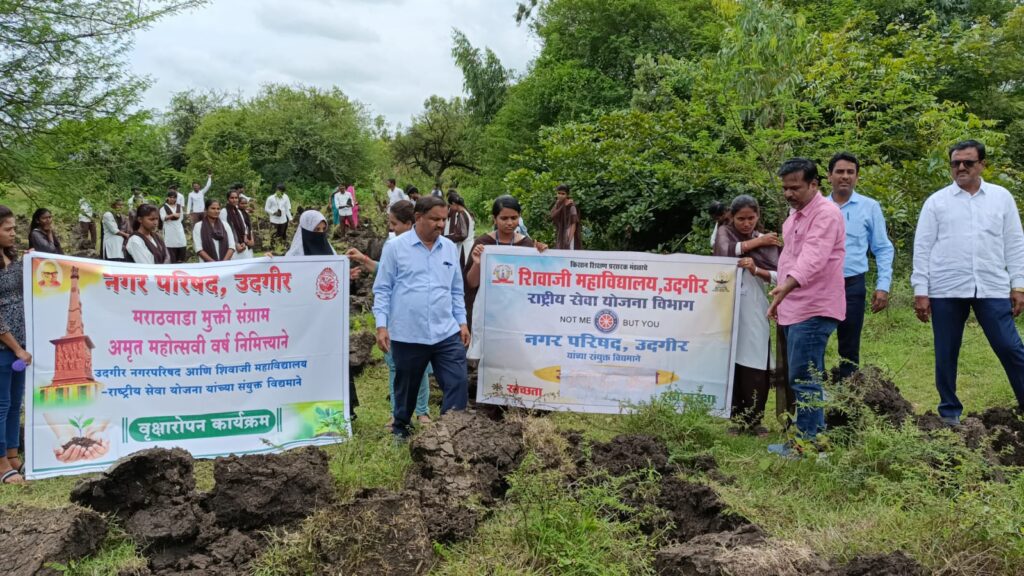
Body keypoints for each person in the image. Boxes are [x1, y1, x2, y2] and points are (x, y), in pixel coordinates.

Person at [912, 140, 1024, 426]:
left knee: (1011, 347)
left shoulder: (1001, 198)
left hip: (991, 286)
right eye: (955, 163)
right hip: (946, 288)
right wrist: (920, 291)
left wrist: (1018, 284)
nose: (961, 167)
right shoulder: (936, 202)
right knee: (946, 351)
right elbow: (922, 247)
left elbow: (1015, 244)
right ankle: (949, 412)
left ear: (982, 165)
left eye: (968, 163)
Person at [766, 158, 845, 456]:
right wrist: (780, 299)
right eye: (785, 188)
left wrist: (786, 287)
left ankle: (809, 444)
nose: (789, 193)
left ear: (814, 185)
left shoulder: (826, 214)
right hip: (796, 305)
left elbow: (814, 257)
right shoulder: (795, 216)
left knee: (805, 377)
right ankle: (810, 437)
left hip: (815, 307)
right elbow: (789, 260)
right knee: (800, 375)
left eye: (795, 187)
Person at [373, 196, 469, 439]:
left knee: (457, 381)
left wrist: (462, 321)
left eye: (444, 219)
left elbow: (456, 289)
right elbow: (383, 288)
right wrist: (381, 326)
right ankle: (401, 431)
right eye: (435, 219)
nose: (440, 224)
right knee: (406, 388)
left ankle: (452, 432)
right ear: (418, 218)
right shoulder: (395, 247)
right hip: (408, 332)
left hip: (445, 331)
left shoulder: (448, 247)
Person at [348, 201, 431, 426]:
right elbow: (385, 273)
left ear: (410, 223)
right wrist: (363, 259)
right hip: (395, 314)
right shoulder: (392, 244)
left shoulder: (427, 246)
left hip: (417, 314)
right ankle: (397, 412)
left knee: (420, 366)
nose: (391, 228)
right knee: (396, 365)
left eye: (395, 223)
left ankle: (422, 411)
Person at [713, 195, 781, 434]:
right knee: (732, 360)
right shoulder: (724, 233)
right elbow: (724, 254)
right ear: (732, 217)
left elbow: (779, 275)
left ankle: (754, 419)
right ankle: (736, 418)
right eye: (741, 219)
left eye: (751, 218)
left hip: (754, 306)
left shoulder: (767, 242)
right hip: (727, 306)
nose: (746, 224)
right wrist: (755, 243)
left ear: (758, 216)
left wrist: (756, 268)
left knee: (755, 360)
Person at [286, 210, 363, 418]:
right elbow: (288, 289)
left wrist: (347, 277)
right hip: (305, 324)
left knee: (333, 362)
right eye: (315, 230)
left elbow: (332, 284)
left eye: (323, 230)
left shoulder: (329, 252)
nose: (319, 235)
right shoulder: (293, 259)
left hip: (329, 322)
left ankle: (344, 409)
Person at [826, 152, 895, 380]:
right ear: (829, 176)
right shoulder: (817, 207)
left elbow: (883, 248)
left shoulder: (869, 207)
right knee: (814, 341)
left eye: (850, 172)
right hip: (819, 285)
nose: (844, 177)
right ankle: (816, 395)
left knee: (849, 345)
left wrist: (883, 286)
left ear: (857, 177)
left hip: (852, 285)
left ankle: (849, 398)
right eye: (839, 172)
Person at [465, 195, 547, 330]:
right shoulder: (483, 244)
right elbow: (471, 283)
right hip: (489, 313)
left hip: (518, 312)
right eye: (504, 218)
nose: (509, 223)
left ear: (519, 217)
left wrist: (543, 255)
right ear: (494, 219)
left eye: (514, 218)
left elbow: (538, 282)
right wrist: (478, 263)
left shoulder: (526, 244)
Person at [0, 206, 30, 484]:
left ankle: (12, 454)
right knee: (1, 403)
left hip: (21, 345)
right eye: (7, 229)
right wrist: (15, 347)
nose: (13, 233)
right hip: (5, 346)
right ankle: (0, 465)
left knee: (13, 404)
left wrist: (33, 262)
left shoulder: (11, 258)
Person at [221, 187, 253, 260]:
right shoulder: (224, 212)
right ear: (228, 199)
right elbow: (225, 230)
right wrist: (236, 244)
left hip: (242, 244)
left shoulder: (238, 211)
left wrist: (245, 240)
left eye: (236, 198)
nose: (234, 200)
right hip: (231, 246)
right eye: (232, 198)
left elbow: (244, 227)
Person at [444, 192, 474, 267]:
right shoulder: (466, 212)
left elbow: (462, 235)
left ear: (454, 204)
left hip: (464, 248)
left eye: (450, 206)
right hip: (468, 246)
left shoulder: (462, 214)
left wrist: (446, 238)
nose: (450, 208)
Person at [550, 184, 582, 250]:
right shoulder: (557, 204)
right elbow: (552, 215)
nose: (560, 195)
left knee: (568, 252)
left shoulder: (571, 206)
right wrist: (560, 205)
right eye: (559, 193)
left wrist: (569, 241)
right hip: (560, 232)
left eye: (563, 194)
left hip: (569, 233)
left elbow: (573, 224)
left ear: (567, 195)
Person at [160, 190, 187, 263]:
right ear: (167, 198)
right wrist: (173, 215)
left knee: (182, 244)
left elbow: (181, 218)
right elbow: (163, 218)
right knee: (170, 246)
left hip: (179, 230)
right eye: (171, 197)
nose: (172, 199)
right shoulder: (163, 208)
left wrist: (175, 217)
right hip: (169, 230)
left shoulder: (179, 207)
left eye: (174, 197)